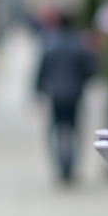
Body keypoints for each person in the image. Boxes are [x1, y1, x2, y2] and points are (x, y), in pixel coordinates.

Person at [35, 11, 96, 182]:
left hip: (56, 93)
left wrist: (37, 91)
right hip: (74, 93)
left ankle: (60, 165)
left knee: (55, 131)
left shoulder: (50, 43)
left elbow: (42, 70)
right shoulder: (79, 44)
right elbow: (89, 69)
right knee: (75, 130)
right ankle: (71, 166)